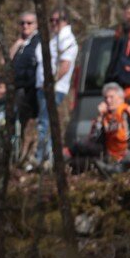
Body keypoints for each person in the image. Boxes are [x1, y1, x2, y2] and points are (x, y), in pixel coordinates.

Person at [68, 82, 130, 174]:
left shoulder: (129, 111)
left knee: (79, 160)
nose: (108, 100)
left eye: (111, 97)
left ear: (121, 98)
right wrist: (100, 117)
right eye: (106, 98)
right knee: (77, 152)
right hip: (107, 154)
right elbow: (94, 139)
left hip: (124, 156)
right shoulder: (105, 116)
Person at [33, 9, 77, 166]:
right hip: (43, 87)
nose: (53, 23)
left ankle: (43, 158)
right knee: (44, 122)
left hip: (54, 88)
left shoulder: (66, 39)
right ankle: (46, 156)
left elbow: (65, 65)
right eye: (51, 20)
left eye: (57, 20)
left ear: (65, 21)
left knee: (45, 123)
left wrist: (51, 82)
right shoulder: (55, 38)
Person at [10, 12, 40, 163]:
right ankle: (19, 156)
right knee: (19, 124)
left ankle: (33, 156)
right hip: (18, 89)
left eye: (29, 23)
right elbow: (7, 61)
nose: (25, 26)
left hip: (32, 90)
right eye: (22, 23)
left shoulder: (38, 42)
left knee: (32, 125)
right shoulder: (21, 43)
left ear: (36, 24)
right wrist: (17, 44)